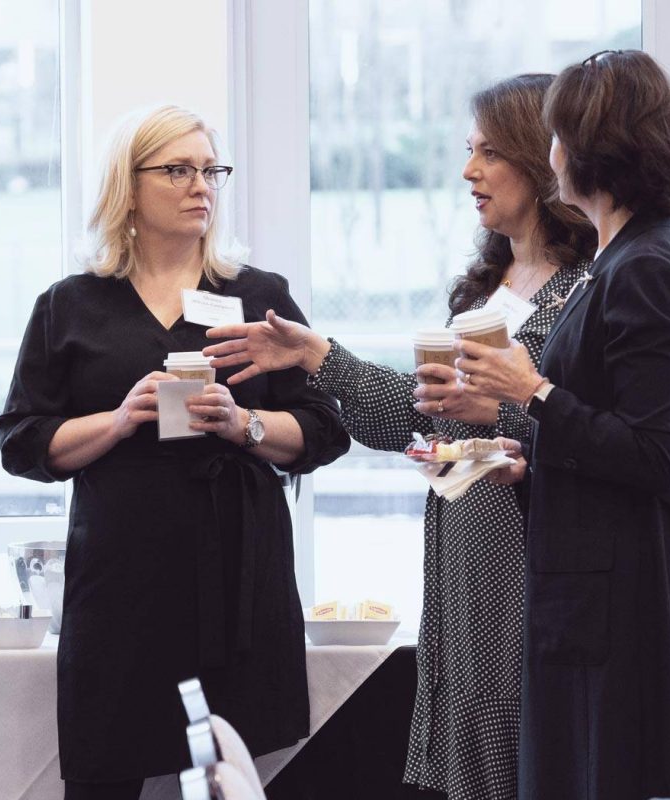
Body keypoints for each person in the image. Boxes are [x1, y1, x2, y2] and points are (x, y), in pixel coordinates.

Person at [203, 74, 595, 800]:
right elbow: (410, 419)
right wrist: (317, 358)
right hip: (461, 580)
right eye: (467, 152)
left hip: (530, 576)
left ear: (542, 162)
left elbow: (584, 434)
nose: (468, 172)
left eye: (488, 153)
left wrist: (498, 419)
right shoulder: (488, 289)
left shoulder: (585, 293)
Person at [0, 105, 350, 799]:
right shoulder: (70, 305)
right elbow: (24, 441)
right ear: (128, 186)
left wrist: (243, 424)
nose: (201, 186)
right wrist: (122, 418)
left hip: (237, 567)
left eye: (210, 170)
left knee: (233, 775)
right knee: (107, 767)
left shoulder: (256, 295)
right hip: (122, 574)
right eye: (178, 170)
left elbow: (324, 430)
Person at [455, 50, 670, 800]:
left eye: (557, 136)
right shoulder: (622, 258)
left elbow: (654, 453)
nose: (550, 153)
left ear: (591, 149)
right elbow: (612, 435)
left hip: (628, 605)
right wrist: (532, 455)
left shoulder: (646, 265)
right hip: (599, 587)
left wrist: (534, 391)